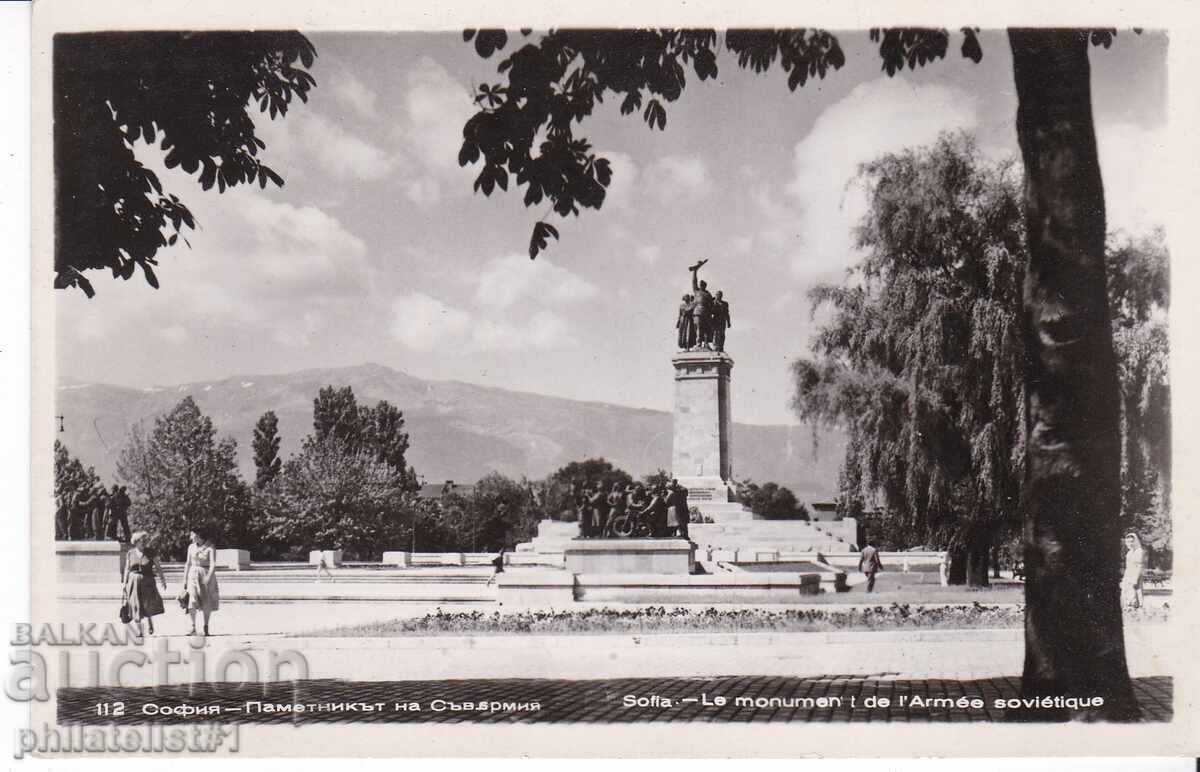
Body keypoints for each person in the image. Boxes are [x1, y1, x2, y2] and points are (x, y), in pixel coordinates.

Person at [122, 531, 167, 636]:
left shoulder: (151, 552)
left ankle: (150, 620)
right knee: (135, 604)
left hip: (148, 581)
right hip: (133, 581)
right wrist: (125, 582)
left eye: (145, 541)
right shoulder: (130, 553)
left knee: (147, 604)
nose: (143, 543)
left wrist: (163, 580)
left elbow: (158, 567)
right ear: (136, 542)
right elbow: (127, 569)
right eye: (141, 541)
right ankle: (139, 630)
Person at [180, 527, 220, 636]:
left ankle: (206, 626)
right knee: (191, 600)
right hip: (192, 575)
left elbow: (213, 564)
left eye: (192, 535)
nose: (190, 537)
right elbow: (188, 563)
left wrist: (208, 577)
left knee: (206, 601)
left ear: (198, 535)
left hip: (205, 575)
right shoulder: (191, 547)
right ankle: (193, 627)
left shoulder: (210, 547)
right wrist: (184, 579)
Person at [689, 259, 713, 348]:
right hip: (697, 312)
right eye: (700, 284)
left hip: (706, 313)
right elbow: (694, 281)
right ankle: (698, 343)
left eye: (703, 284)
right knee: (698, 328)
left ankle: (706, 343)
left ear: (705, 286)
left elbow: (711, 304)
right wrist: (695, 271)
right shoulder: (696, 291)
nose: (701, 285)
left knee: (706, 329)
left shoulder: (708, 294)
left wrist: (711, 312)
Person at [1121, 532, 1146, 610]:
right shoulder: (1129, 552)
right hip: (1128, 574)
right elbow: (1128, 566)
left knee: (1136, 591)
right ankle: (1129, 608)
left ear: (1135, 541)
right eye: (1128, 541)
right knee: (1127, 591)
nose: (1130, 543)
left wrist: (1135, 578)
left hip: (1136, 574)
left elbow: (1139, 566)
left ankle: (1137, 608)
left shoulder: (1139, 551)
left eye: (1132, 541)